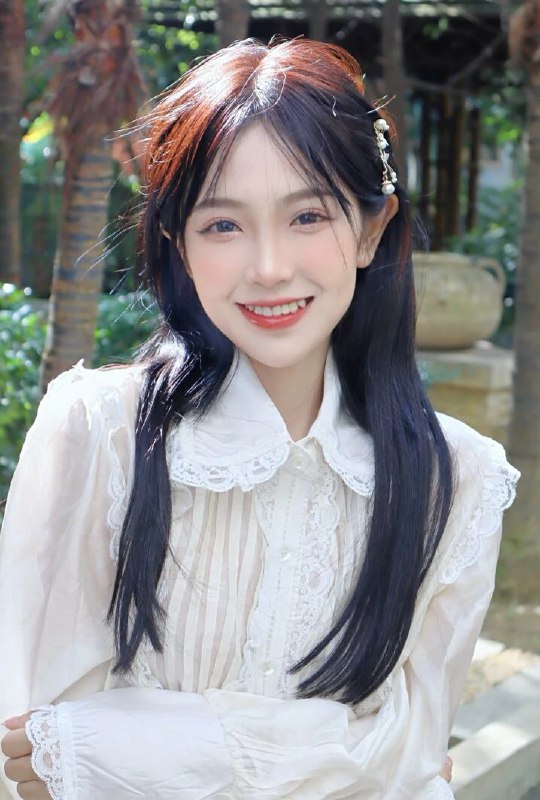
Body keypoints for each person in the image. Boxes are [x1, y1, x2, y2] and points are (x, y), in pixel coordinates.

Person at [0, 36, 519, 800]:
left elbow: (416, 768)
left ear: (371, 228)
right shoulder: (100, 434)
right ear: (179, 245)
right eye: (223, 225)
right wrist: (358, 755)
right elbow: (30, 755)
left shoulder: (458, 480)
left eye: (307, 215)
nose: (270, 267)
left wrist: (130, 750)